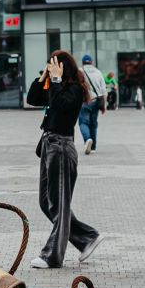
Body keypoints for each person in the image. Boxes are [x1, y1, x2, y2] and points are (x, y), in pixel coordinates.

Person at [27, 50, 101, 268]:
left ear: (63, 68)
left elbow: (61, 105)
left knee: (59, 204)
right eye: (49, 66)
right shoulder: (55, 87)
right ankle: (87, 237)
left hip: (61, 147)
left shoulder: (75, 89)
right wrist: (43, 79)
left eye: (54, 66)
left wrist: (56, 80)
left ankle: (53, 256)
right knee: (45, 201)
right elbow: (32, 99)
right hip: (49, 145)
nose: (50, 70)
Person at [77, 54, 105, 154]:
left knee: (83, 122)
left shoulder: (79, 72)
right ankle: (93, 148)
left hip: (84, 101)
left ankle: (87, 139)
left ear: (83, 62)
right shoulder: (98, 72)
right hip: (96, 101)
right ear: (91, 62)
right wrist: (103, 105)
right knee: (93, 124)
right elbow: (103, 90)